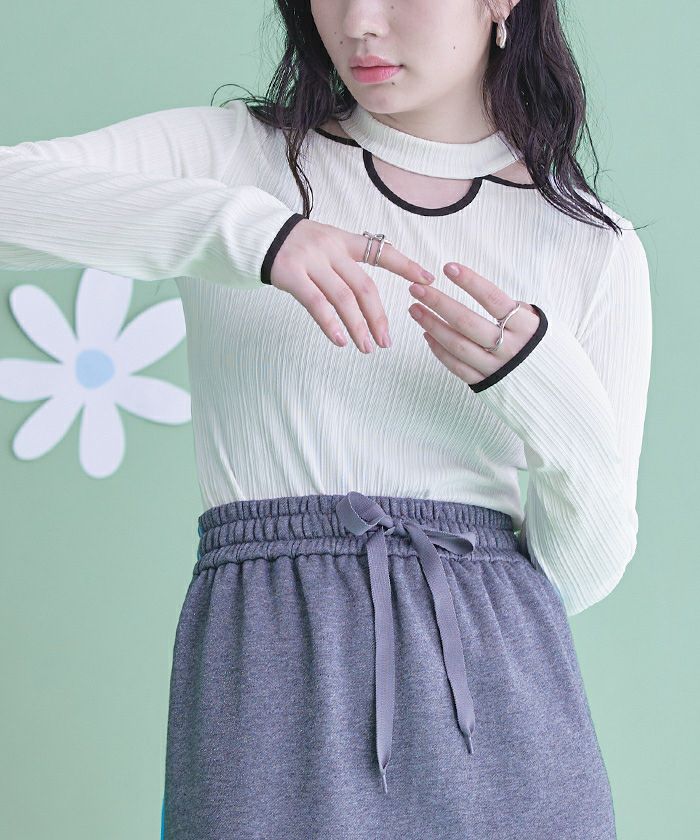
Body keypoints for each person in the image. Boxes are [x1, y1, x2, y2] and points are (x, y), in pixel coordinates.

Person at [0, 1, 652, 838]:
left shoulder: (592, 245)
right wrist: (254, 237)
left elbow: (577, 574)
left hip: (501, 697)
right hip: (271, 667)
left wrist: (542, 389)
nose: (360, 22)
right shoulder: (235, 159)